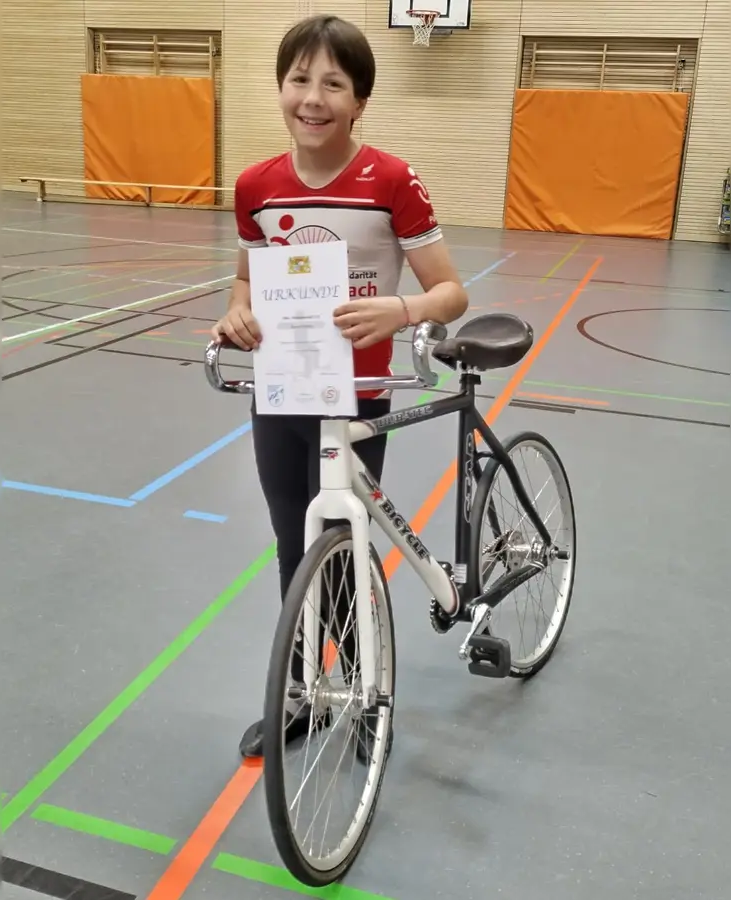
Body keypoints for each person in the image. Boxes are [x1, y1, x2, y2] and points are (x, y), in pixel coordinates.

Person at [212, 14, 469, 759]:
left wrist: (403, 308)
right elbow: (245, 277)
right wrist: (236, 311)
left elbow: (451, 291)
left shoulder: (391, 180)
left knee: (345, 549)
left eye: (333, 83)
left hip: (356, 401)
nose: (313, 98)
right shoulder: (258, 186)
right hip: (283, 395)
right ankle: (301, 697)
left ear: (360, 101)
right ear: (281, 88)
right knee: (295, 553)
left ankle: (362, 696)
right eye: (299, 80)